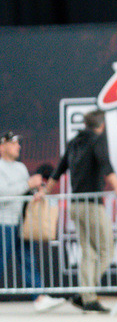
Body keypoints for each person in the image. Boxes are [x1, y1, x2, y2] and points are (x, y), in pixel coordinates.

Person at [41, 111, 117, 313]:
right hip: (91, 205)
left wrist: (44, 191)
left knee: (88, 252)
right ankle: (86, 294)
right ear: (101, 125)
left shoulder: (74, 142)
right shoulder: (97, 141)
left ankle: (86, 296)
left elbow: (58, 171)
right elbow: (106, 165)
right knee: (107, 249)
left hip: (75, 205)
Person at [0, 131, 62, 311]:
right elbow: (3, 193)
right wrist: (28, 184)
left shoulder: (20, 167)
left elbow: (24, 193)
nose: (18, 146)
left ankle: (39, 297)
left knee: (27, 259)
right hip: (4, 222)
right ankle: (39, 296)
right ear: (2, 146)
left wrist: (36, 191)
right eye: (13, 143)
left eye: (18, 143)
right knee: (1, 261)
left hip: (22, 221)